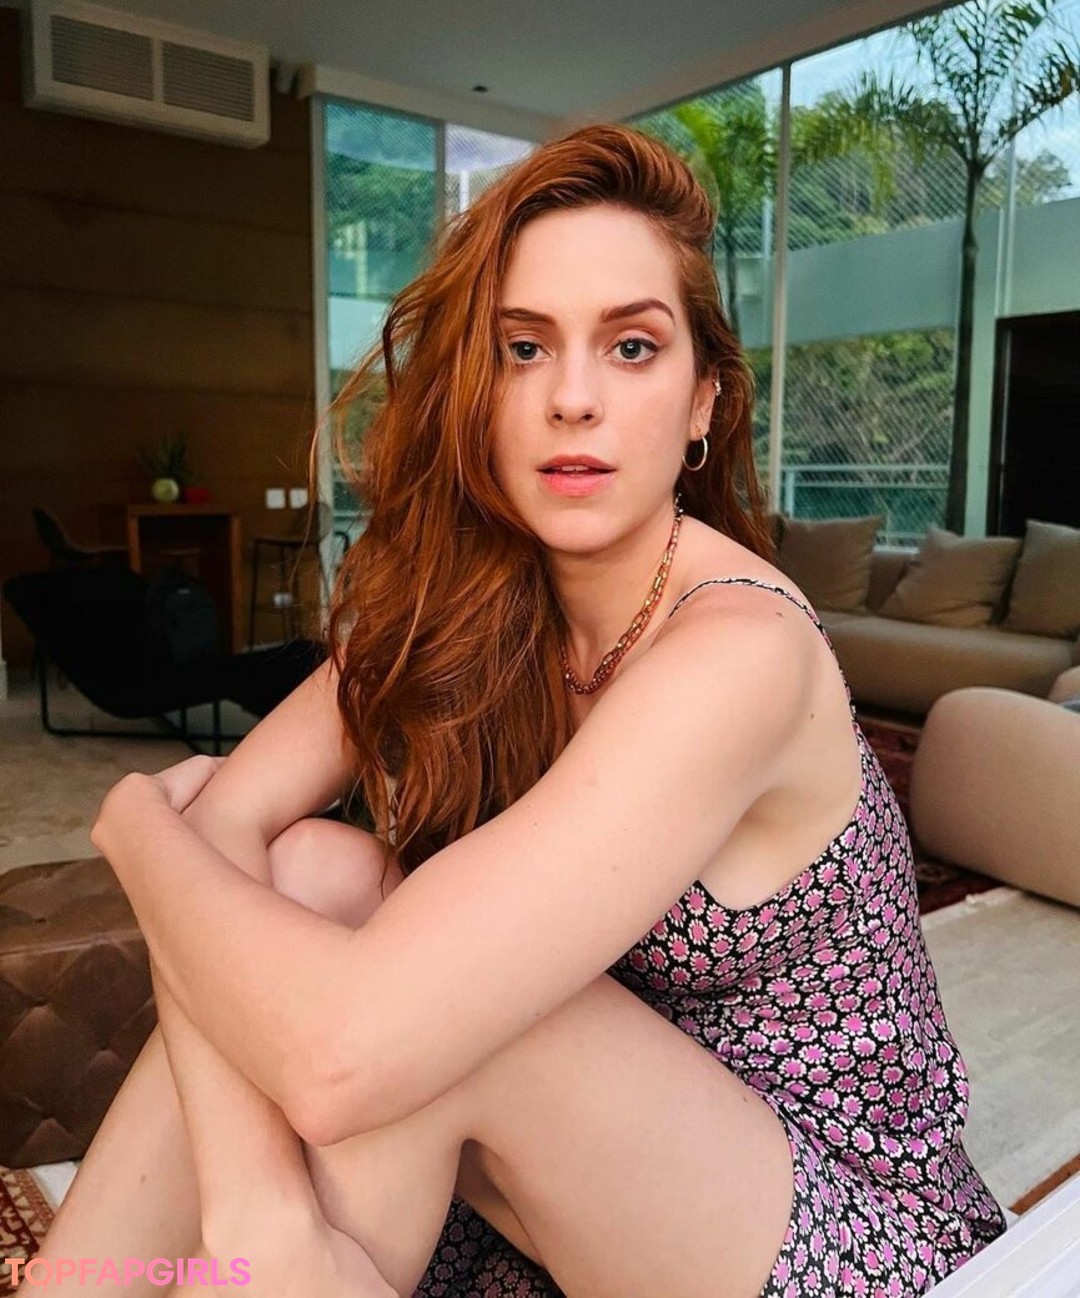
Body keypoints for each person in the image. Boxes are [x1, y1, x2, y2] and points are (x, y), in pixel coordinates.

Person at [25, 124, 1006, 1297]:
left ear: (703, 401)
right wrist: (258, 1199)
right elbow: (233, 825)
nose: (572, 399)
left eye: (632, 347)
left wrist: (137, 825)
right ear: (477, 392)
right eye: (524, 348)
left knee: (433, 1022)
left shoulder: (741, 651)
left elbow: (341, 1055)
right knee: (316, 875)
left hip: (835, 1224)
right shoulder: (468, 600)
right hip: (587, 1173)